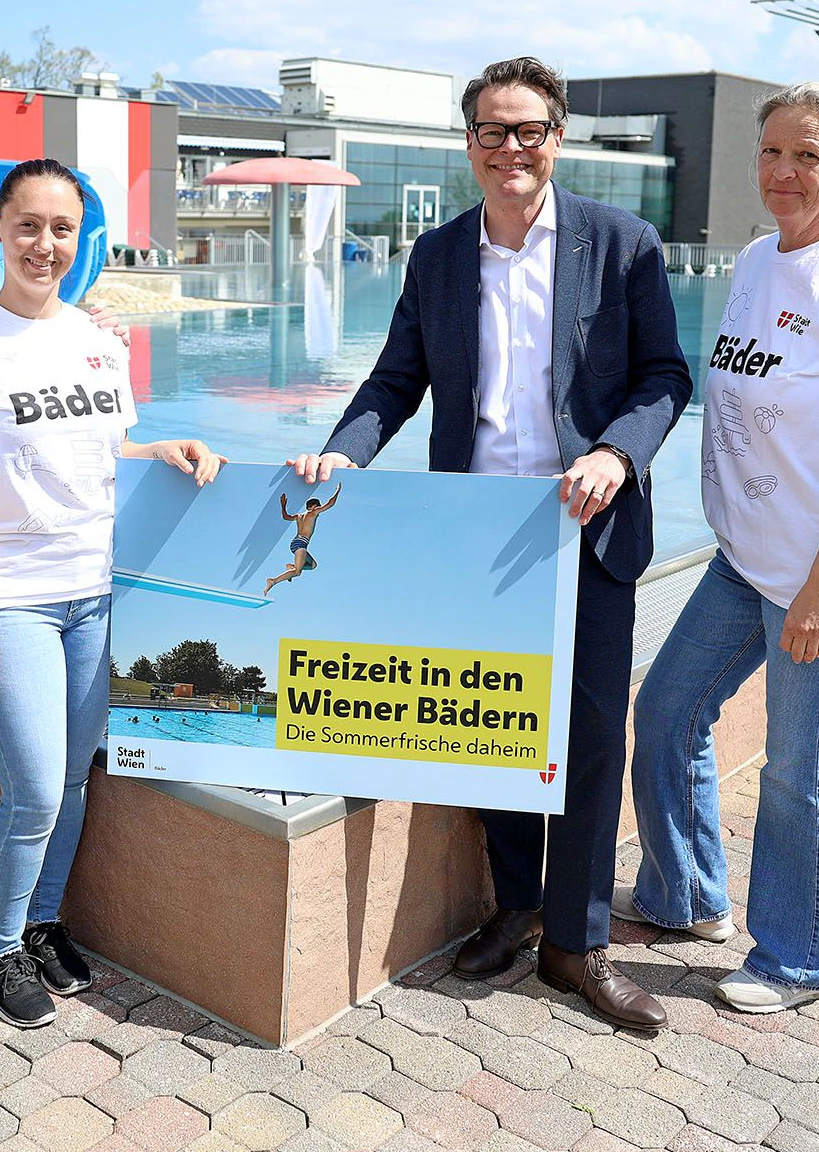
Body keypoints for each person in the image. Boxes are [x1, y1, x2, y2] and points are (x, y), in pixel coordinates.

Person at [290, 57, 691, 1030]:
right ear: (465, 142)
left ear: (555, 138)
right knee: (497, 727)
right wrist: (342, 455)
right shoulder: (434, 258)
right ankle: (515, 904)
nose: (509, 148)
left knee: (591, 738)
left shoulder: (620, 243)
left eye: (527, 131)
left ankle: (576, 941)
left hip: (583, 526)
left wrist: (613, 454)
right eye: (490, 131)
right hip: (474, 536)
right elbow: (393, 382)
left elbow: (665, 378)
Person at [623, 81, 819, 1013]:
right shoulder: (755, 261)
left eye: (809, 156)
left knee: (801, 765)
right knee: (667, 714)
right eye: (772, 153)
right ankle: (687, 897)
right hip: (743, 557)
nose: (784, 173)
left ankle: (797, 960)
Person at [0, 158, 224, 1029]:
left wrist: (162, 448)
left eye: (62, 229)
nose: (45, 245)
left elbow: (97, 458)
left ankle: (42, 919)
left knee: (72, 780)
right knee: (33, 790)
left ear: (80, 241)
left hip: (90, 597)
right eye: (29, 226)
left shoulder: (100, 343)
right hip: (13, 600)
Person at [264, 483, 341, 594]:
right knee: (297, 572)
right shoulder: (314, 512)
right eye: (317, 507)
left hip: (296, 543)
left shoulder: (299, 516)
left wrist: (283, 505)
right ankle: (273, 581)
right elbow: (330, 503)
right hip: (301, 543)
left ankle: (290, 567)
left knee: (313, 565)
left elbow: (285, 517)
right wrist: (337, 491)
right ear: (315, 506)